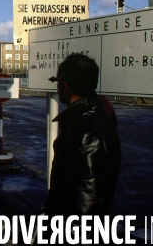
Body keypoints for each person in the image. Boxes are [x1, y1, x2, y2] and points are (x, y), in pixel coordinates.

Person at [45, 54, 121, 221]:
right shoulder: (96, 118)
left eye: (58, 82)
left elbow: (88, 198)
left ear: (64, 86)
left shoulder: (85, 129)